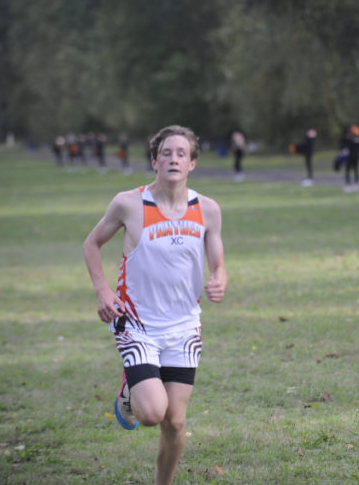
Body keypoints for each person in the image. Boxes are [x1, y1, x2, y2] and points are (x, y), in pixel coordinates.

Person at [82, 125, 227, 485]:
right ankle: (130, 389)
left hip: (183, 327)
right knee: (151, 413)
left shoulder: (207, 210)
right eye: (166, 152)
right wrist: (103, 291)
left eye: (181, 153)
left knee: (175, 422)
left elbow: (219, 263)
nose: (174, 158)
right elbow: (91, 244)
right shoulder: (129, 204)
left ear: (192, 163)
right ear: (154, 160)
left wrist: (220, 279)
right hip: (136, 323)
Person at [342, 124, 359, 192]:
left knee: (349, 170)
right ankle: (354, 185)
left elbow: (346, 148)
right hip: (355, 157)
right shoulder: (357, 139)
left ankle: (350, 185)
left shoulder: (351, 139)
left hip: (351, 157)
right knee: (354, 170)